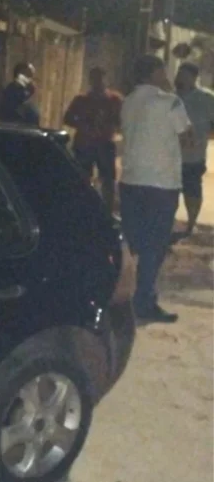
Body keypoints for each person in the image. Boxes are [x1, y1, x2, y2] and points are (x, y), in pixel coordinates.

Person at [120, 55, 194, 323]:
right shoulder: (170, 101)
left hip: (131, 181)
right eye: (163, 69)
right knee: (154, 246)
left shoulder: (128, 101)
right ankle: (144, 302)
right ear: (154, 73)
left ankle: (121, 298)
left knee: (132, 243)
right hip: (160, 185)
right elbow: (188, 138)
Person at [63, 67, 124, 213]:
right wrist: (83, 125)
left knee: (108, 180)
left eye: (101, 78)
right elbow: (68, 118)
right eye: (95, 78)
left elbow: (122, 120)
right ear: (90, 81)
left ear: (106, 80)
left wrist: (110, 127)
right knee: (82, 178)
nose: (98, 82)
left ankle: (107, 212)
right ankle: (82, 209)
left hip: (104, 143)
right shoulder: (81, 100)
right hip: (85, 144)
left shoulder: (114, 100)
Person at [172, 63, 214, 241]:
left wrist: (201, 138)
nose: (180, 79)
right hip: (169, 156)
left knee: (192, 190)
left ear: (194, 77)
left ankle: (191, 223)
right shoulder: (171, 98)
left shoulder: (206, 98)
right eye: (179, 75)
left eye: (184, 75)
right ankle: (168, 222)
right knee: (170, 191)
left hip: (194, 156)